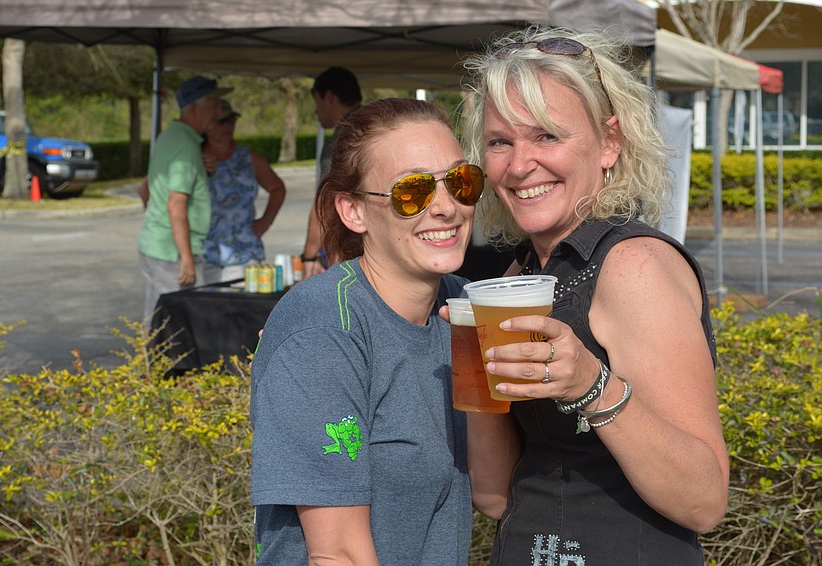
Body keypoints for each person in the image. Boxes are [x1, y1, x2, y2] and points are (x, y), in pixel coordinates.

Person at [460, 27, 729, 564]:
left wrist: (591, 385)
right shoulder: (521, 272)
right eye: (499, 142)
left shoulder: (634, 266)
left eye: (547, 136)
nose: (518, 166)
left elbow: (705, 502)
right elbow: (493, 497)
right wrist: (471, 365)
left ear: (610, 143)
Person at [250, 98, 485, 564]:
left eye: (462, 181)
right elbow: (338, 553)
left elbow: (494, 494)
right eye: (412, 192)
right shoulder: (321, 331)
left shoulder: (466, 306)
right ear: (353, 212)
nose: (446, 207)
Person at [137, 75, 231, 322]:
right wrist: (186, 258)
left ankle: (152, 362)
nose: (218, 112)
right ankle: (161, 363)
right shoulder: (185, 146)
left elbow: (144, 189)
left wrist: (201, 172)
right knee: (173, 323)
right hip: (172, 254)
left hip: (161, 246)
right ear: (193, 108)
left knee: (157, 317)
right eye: (213, 105)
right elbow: (175, 205)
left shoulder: (173, 137)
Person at [201, 100, 286, 283]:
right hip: (204, 254)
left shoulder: (248, 158)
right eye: (221, 121)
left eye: (231, 120)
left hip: (245, 252)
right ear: (206, 125)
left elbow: (277, 188)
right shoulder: (193, 157)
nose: (228, 126)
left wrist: (266, 220)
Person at [300, 66, 362, 280]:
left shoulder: (342, 138)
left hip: (352, 254)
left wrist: (309, 255)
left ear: (328, 97)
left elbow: (326, 199)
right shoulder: (377, 127)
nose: (316, 112)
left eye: (316, 103)